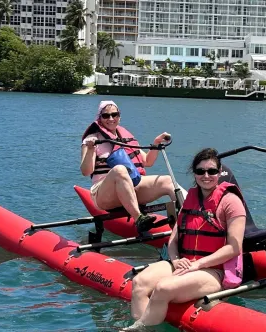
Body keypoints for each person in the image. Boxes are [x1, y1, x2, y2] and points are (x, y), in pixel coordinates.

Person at [123, 148, 247, 331]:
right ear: (194, 173)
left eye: (212, 171)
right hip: (184, 262)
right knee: (139, 283)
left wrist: (198, 265)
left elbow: (234, 247)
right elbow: (174, 239)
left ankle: (138, 328)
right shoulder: (191, 199)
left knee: (163, 288)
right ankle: (142, 326)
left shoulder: (231, 202)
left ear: (219, 173)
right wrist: (175, 260)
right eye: (200, 171)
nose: (206, 175)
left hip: (213, 270)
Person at [80, 100, 175, 231]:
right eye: (106, 116)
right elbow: (86, 171)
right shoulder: (92, 139)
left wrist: (156, 143)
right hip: (103, 194)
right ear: (99, 118)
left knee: (167, 181)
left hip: (130, 189)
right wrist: (91, 149)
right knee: (120, 170)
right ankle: (139, 219)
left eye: (115, 114)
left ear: (119, 116)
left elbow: (147, 161)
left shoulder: (124, 137)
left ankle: (192, 216)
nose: (111, 119)